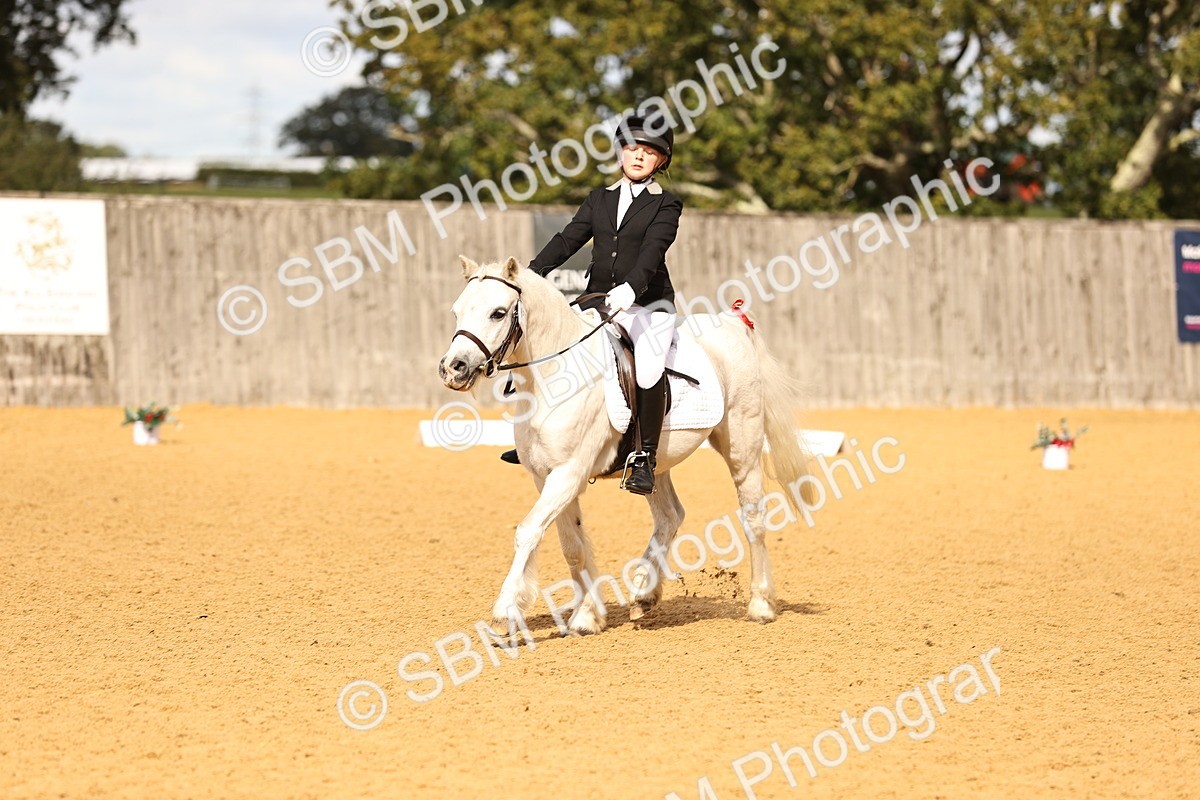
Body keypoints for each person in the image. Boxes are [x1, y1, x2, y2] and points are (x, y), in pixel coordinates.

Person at [500, 112, 682, 496]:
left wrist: (632, 288)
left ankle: (644, 457)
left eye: (649, 152)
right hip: (598, 300)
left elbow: (653, 251)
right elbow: (569, 240)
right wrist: (530, 275)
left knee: (648, 366)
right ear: (620, 152)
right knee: (547, 344)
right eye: (632, 148)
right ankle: (535, 437)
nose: (638, 156)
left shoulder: (666, 204)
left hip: (648, 305)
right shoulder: (600, 198)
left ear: (661, 160)